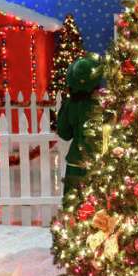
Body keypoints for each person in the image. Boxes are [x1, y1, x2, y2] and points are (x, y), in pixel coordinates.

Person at [56, 56, 101, 194]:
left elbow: (64, 133)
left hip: (76, 161)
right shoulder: (102, 105)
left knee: (74, 202)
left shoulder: (70, 105)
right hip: (99, 161)